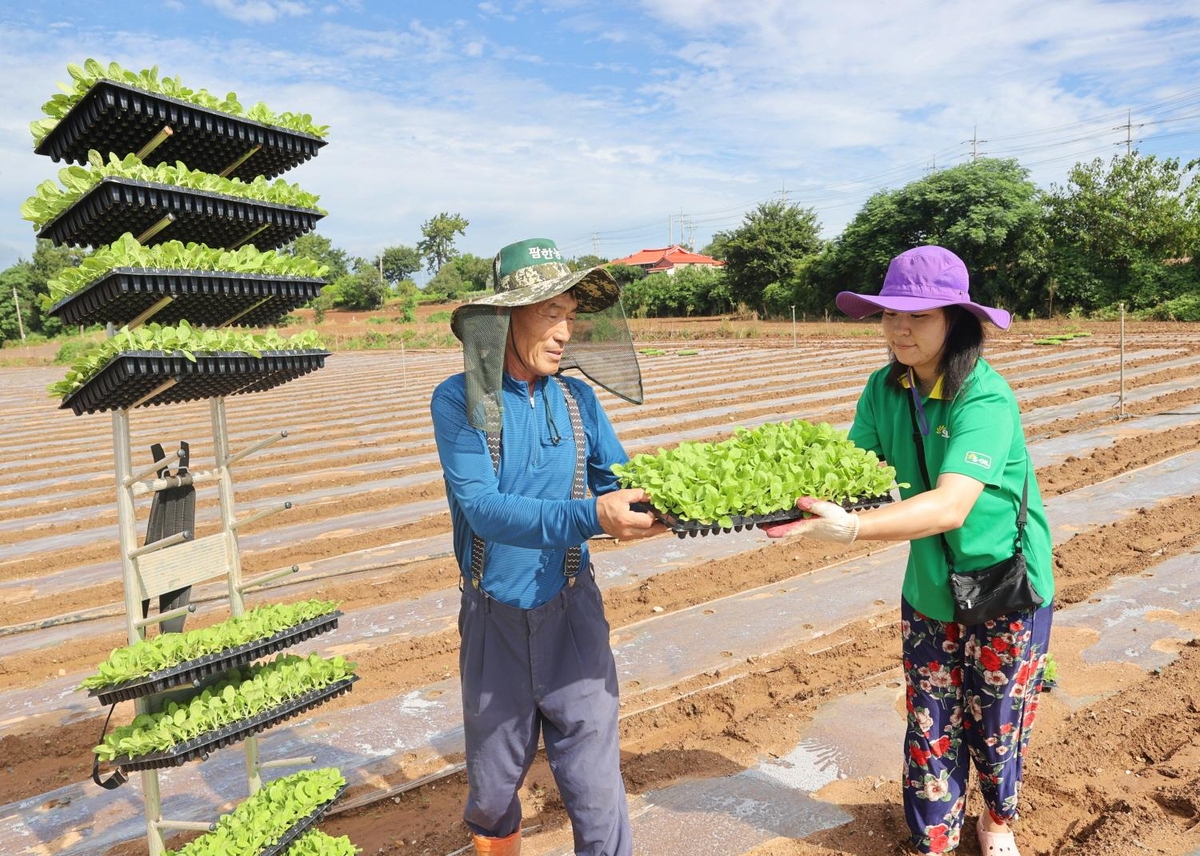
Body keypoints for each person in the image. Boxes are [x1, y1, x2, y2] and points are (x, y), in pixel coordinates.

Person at [764, 245, 1055, 856]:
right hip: (930, 582)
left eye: (919, 316)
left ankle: (998, 821)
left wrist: (852, 530)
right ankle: (934, 837)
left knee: (996, 721)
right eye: (890, 313)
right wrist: (777, 496)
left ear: (957, 321)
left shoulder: (985, 396)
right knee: (931, 717)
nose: (900, 327)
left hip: (1004, 582)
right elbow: (855, 472)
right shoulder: (884, 387)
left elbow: (952, 506)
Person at [430, 237, 665, 856]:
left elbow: (615, 481)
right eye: (548, 314)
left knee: (594, 784)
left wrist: (677, 506)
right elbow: (482, 509)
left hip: (572, 613)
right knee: (491, 786)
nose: (564, 332)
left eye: (568, 314)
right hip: (493, 617)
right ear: (505, 318)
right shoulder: (460, 401)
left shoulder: (577, 398)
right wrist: (593, 514)